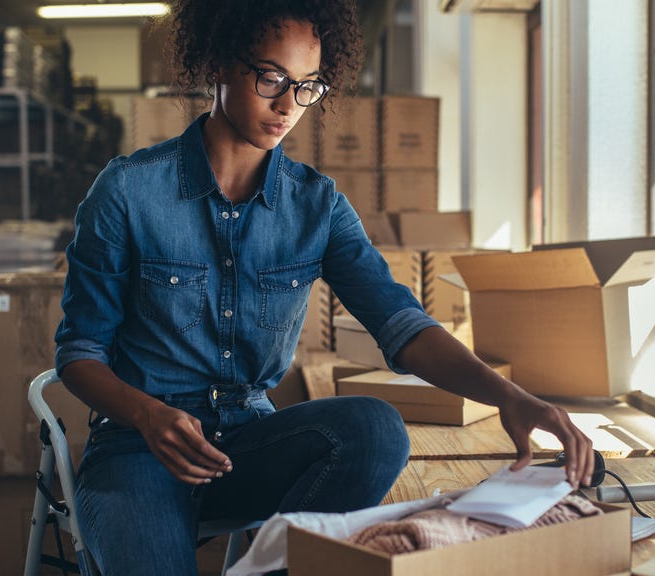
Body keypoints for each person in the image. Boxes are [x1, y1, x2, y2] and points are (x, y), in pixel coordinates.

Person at [54, 1, 595, 574]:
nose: (288, 104)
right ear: (217, 63)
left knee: (375, 428)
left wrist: (509, 396)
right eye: (271, 77)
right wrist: (146, 415)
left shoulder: (318, 206)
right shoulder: (128, 191)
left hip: (248, 446)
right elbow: (79, 353)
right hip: (140, 449)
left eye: (307, 86)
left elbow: (402, 324)